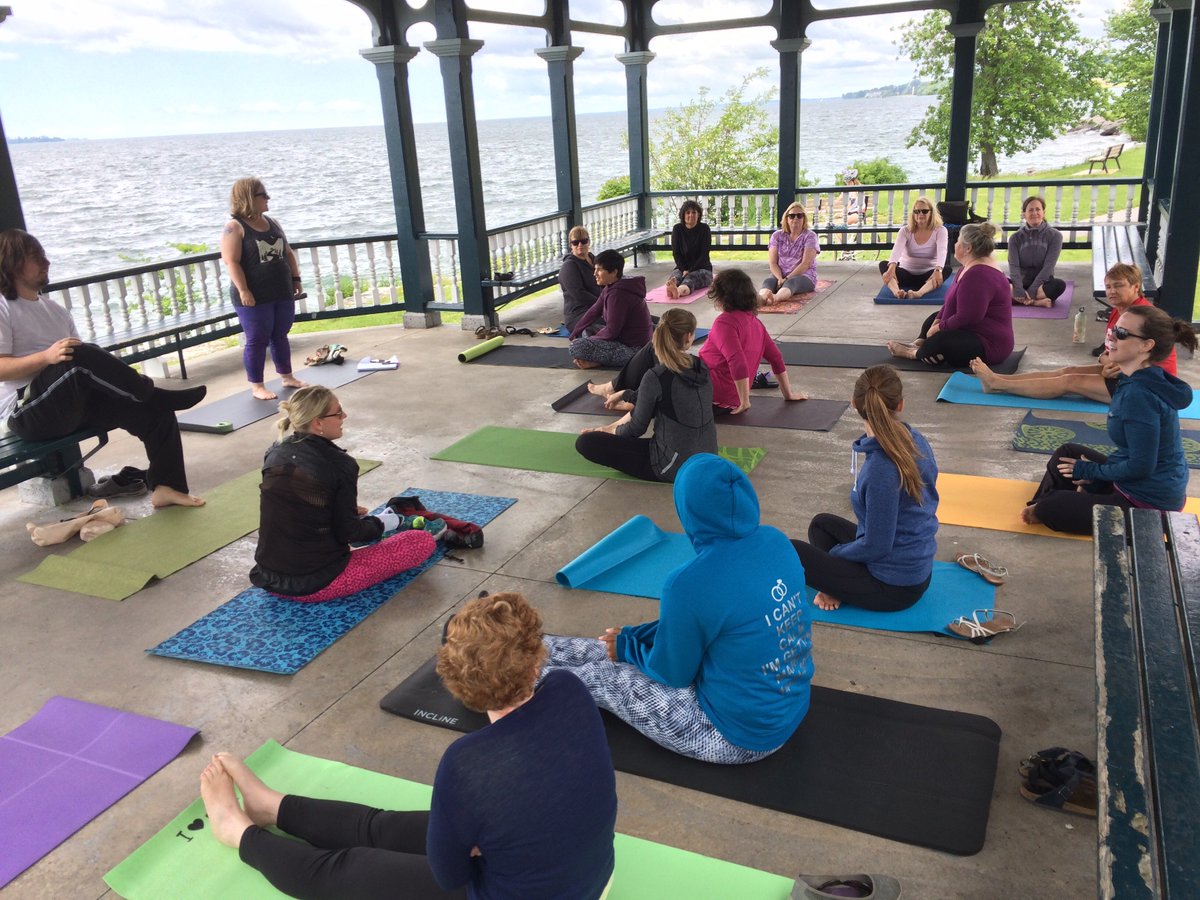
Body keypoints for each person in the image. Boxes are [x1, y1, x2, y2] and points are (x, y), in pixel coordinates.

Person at [199, 591, 618, 899]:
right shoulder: (568, 687)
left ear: (457, 686)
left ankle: (237, 832)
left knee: (351, 868)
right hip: (586, 875)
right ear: (537, 655)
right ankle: (271, 807)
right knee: (387, 827)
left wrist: (472, 842)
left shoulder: (468, 762)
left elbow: (451, 873)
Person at [543, 453, 813, 764]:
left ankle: (507, 674)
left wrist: (630, 649)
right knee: (609, 649)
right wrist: (631, 638)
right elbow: (705, 622)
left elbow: (672, 674)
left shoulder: (689, 583)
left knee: (603, 675)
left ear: (688, 511)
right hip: (787, 710)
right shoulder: (777, 541)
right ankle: (535, 646)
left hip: (736, 738)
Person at [0, 229, 206, 508]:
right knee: (79, 355)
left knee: (155, 410)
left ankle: (168, 487)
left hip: (73, 404)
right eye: (36, 256)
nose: (46, 262)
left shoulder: (54, 310)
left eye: (45, 255)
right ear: (12, 263)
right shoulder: (3, 306)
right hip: (28, 412)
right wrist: (46, 357)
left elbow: (85, 366)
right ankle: (150, 391)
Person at [249, 386, 436, 603]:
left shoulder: (275, 451)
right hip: (315, 584)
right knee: (420, 541)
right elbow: (349, 532)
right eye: (338, 413)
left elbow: (293, 501)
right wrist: (385, 523)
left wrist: (333, 507)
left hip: (268, 577)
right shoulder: (340, 464)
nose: (344, 416)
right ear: (318, 423)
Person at [1022, 305, 1197, 535]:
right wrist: (1094, 472)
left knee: (1050, 507)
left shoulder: (1139, 396)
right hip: (1133, 482)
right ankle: (1063, 501)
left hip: (1146, 505)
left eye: (1122, 334)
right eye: (1115, 329)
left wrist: (1092, 472)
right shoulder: (1139, 377)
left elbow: (1141, 466)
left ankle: (1051, 505)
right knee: (1067, 453)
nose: (1112, 336)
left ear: (1147, 345)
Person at [790, 365, 939, 612]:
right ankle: (837, 584)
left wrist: (835, 556)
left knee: (793, 551)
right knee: (821, 525)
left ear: (854, 404)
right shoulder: (915, 439)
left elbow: (877, 545)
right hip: (914, 565)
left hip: (895, 587)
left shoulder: (881, 470)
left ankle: (835, 587)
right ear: (900, 405)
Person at [970, 263, 1178, 403]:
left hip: (1150, 388)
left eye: (1118, 286)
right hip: (1127, 372)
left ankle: (998, 384)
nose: (1112, 291)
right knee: (1067, 370)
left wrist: (1109, 364)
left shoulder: (1143, 317)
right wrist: (1106, 362)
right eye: (1108, 287)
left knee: (1069, 382)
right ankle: (998, 380)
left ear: (1136, 287)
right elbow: (1112, 354)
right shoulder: (1120, 311)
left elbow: (1140, 361)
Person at [575, 308, 717, 482]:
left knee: (586, 443)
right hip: (709, 457)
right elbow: (668, 401)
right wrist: (626, 394)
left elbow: (636, 429)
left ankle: (605, 432)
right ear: (688, 337)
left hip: (672, 466)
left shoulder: (656, 376)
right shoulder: (700, 366)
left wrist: (610, 432)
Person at [221, 177, 307, 401]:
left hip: (281, 289)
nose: (268, 198)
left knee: (280, 334)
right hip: (254, 294)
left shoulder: (273, 222)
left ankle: (287, 376)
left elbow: (287, 253)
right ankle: (257, 385)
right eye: (263, 195)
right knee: (257, 338)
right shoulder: (235, 227)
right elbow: (232, 262)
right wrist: (243, 290)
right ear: (249, 197)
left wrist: (296, 279)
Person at [886, 222, 1013, 369]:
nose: (956, 244)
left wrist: (939, 328)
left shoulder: (979, 274)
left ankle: (914, 353)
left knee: (940, 342)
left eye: (958, 241)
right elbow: (950, 303)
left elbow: (969, 317)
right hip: (972, 329)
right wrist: (937, 322)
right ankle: (919, 343)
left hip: (989, 344)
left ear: (968, 248)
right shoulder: (966, 268)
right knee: (933, 318)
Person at [701, 268, 807, 413]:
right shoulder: (756, 323)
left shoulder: (724, 323)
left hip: (714, 396)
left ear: (721, 298)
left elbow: (738, 363)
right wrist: (788, 394)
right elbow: (776, 358)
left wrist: (745, 402)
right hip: (731, 398)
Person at [568, 249, 652, 369]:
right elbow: (593, 311)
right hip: (622, 340)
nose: (594, 273)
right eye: (595, 269)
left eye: (599, 270)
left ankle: (599, 361)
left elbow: (612, 331)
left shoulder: (617, 294)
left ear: (614, 272)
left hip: (634, 351)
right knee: (587, 329)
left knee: (576, 347)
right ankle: (597, 359)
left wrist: (591, 340)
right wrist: (575, 332)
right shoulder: (611, 287)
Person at [879, 196, 949, 300]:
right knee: (884, 265)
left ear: (931, 213)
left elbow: (942, 251)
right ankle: (897, 292)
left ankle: (919, 293)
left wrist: (938, 270)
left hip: (928, 276)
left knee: (946, 270)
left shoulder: (940, 230)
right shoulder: (905, 231)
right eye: (917, 211)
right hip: (905, 274)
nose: (920, 214)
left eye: (924, 211)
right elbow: (896, 250)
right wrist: (891, 267)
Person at [1007, 196, 1065, 307]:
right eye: (1030, 210)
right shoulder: (1015, 238)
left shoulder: (1055, 235)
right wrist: (1018, 289)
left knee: (1059, 285)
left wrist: (1032, 290)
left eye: (1038, 209)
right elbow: (1014, 266)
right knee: (997, 283)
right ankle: (1036, 302)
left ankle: (1020, 300)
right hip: (1021, 283)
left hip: (1042, 285)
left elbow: (1049, 266)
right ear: (1024, 214)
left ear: (1044, 212)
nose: (1034, 213)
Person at [760, 202, 820, 306]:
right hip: (781, 274)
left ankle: (775, 298)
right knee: (769, 281)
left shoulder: (810, 236)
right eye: (792, 216)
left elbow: (805, 264)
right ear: (786, 219)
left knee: (791, 283)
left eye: (799, 216)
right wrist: (779, 278)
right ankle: (760, 299)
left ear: (804, 219)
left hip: (804, 275)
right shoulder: (777, 236)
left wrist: (786, 279)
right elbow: (773, 263)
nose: (795, 218)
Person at [558, 225, 603, 335]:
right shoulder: (569, 266)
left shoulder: (594, 259)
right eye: (575, 242)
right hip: (579, 314)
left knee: (636, 315)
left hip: (600, 308)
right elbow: (579, 294)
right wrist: (604, 304)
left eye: (584, 241)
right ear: (570, 245)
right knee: (617, 325)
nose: (580, 245)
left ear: (589, 242)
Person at [664, 200, 713, 299]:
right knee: (675, 277)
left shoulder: (704, 229)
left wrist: (690, 270)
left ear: (698, 214)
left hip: (702, 268)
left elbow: (704, 255)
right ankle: (671, 289)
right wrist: (683, 269)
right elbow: (676, 253)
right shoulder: (677, 229)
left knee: (691, 278)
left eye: (694, 212)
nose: (691, 215)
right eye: (688, 212)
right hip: (682, 267)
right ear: (683, 215)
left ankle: (678, 291)